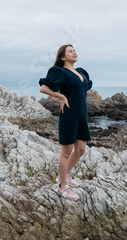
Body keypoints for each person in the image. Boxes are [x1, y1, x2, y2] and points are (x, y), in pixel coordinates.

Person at [39, 44, 93, 201]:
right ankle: (62, 187)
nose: (74, 52)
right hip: (68, 115)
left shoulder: (81, 72)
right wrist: (62, 97)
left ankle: (64, 176)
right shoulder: (60, 72)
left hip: (82, 116)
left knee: (81, 150)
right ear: (63, 57)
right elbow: (43, 88)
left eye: (74, 50)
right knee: (67, 151)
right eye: (70, 51)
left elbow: (80, 91)